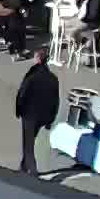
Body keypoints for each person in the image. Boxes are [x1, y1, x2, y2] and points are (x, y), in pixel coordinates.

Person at [14, 46, 61, 175]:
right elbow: (56, 100)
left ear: (38, 59)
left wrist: (18, 110)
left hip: (29, 114)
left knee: (28, 143)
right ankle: (23, 167)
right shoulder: (53, 78)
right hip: (43, 116)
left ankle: (33, 170)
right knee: (30, 139)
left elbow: (22, 93)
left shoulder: (32, 75)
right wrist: (51, 119)